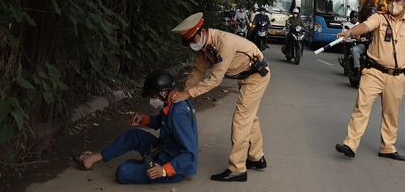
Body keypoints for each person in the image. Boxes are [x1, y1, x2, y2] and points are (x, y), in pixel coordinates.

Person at [170, 13, 271, 182]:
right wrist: (185, 94)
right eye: (189, 43)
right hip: (245, 75)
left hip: (256, 76)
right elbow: (198, 71)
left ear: (201, 32)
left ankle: (237, 169)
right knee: (249, 117)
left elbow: (215, 80)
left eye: (193, 40)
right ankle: (256, 158)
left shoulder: (224, 43)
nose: (192, 45)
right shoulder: (203, 46)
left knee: (241, 120)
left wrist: (189, 94)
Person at [334, 0, 405, 161]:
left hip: (397, 76)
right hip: (373, 72)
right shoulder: (380, 17)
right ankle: (350, 144)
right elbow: (365, 26)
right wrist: (350, 32)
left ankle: (387, 147)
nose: (394, 2)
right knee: (361, 108)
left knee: (391, 114)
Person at [70, 70, 198, 184]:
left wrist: (164, 170)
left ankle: (156, 168)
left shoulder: (177, 113)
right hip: (166, 150)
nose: (152, 99)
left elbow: (190, 153)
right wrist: (144, 119)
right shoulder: (174, 101)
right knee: (135, 135)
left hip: (174, 168)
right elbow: (163, 123)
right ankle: (91, 159)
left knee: (123, 171)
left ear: (163, 92)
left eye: (152, 95)